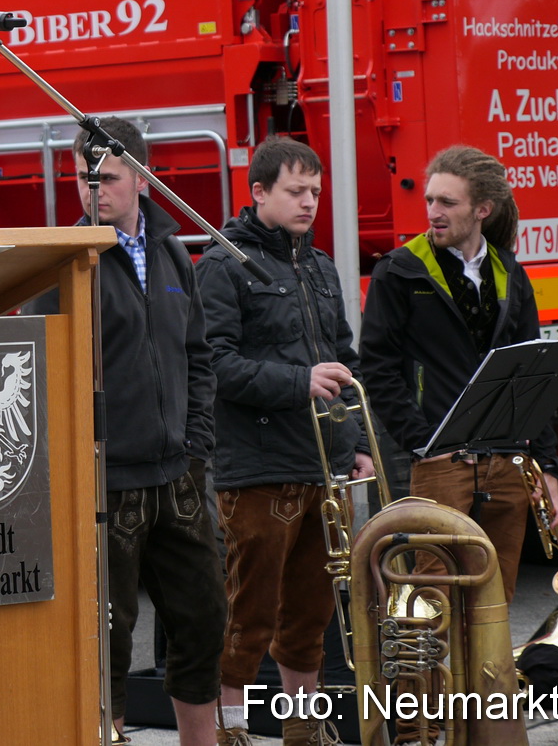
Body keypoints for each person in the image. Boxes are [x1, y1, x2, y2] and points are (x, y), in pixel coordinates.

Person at [31, 117, 224, 746]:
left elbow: (198, 354)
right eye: (84, 179)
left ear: (141, 179)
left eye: (108, 178)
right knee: (106, 637)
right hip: (106, 479)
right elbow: (43, 370)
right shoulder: (66, 261)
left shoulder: (173, 251)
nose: (94, 191)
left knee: (203, 622)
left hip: (180, 476)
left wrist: (196, 446)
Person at [196, 137, 373, 746]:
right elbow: (215, 365)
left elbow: (343, 361)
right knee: (248, 614)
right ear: (259, 193)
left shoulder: (320, 266)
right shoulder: (223, 263)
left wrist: (356, 442)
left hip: (319, 461)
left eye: (316, 192)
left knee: (313, 613)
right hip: (256, 466)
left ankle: (305, 726)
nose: (309, 203)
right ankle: (232, 726)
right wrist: (300, 381)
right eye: (296, 191)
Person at [360, 144, 558, 607]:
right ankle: (433, 684)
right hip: (439, 463)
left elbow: (535, 374)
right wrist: (425, 444)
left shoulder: (510, 272)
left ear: (482, 210)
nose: (433, 212)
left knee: (494, 601)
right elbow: (378, 368)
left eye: (447, 203)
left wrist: (547, 467)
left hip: (507, 461)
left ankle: (485, 685)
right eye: (430, 200)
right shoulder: (399, 270)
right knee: (435, 603)